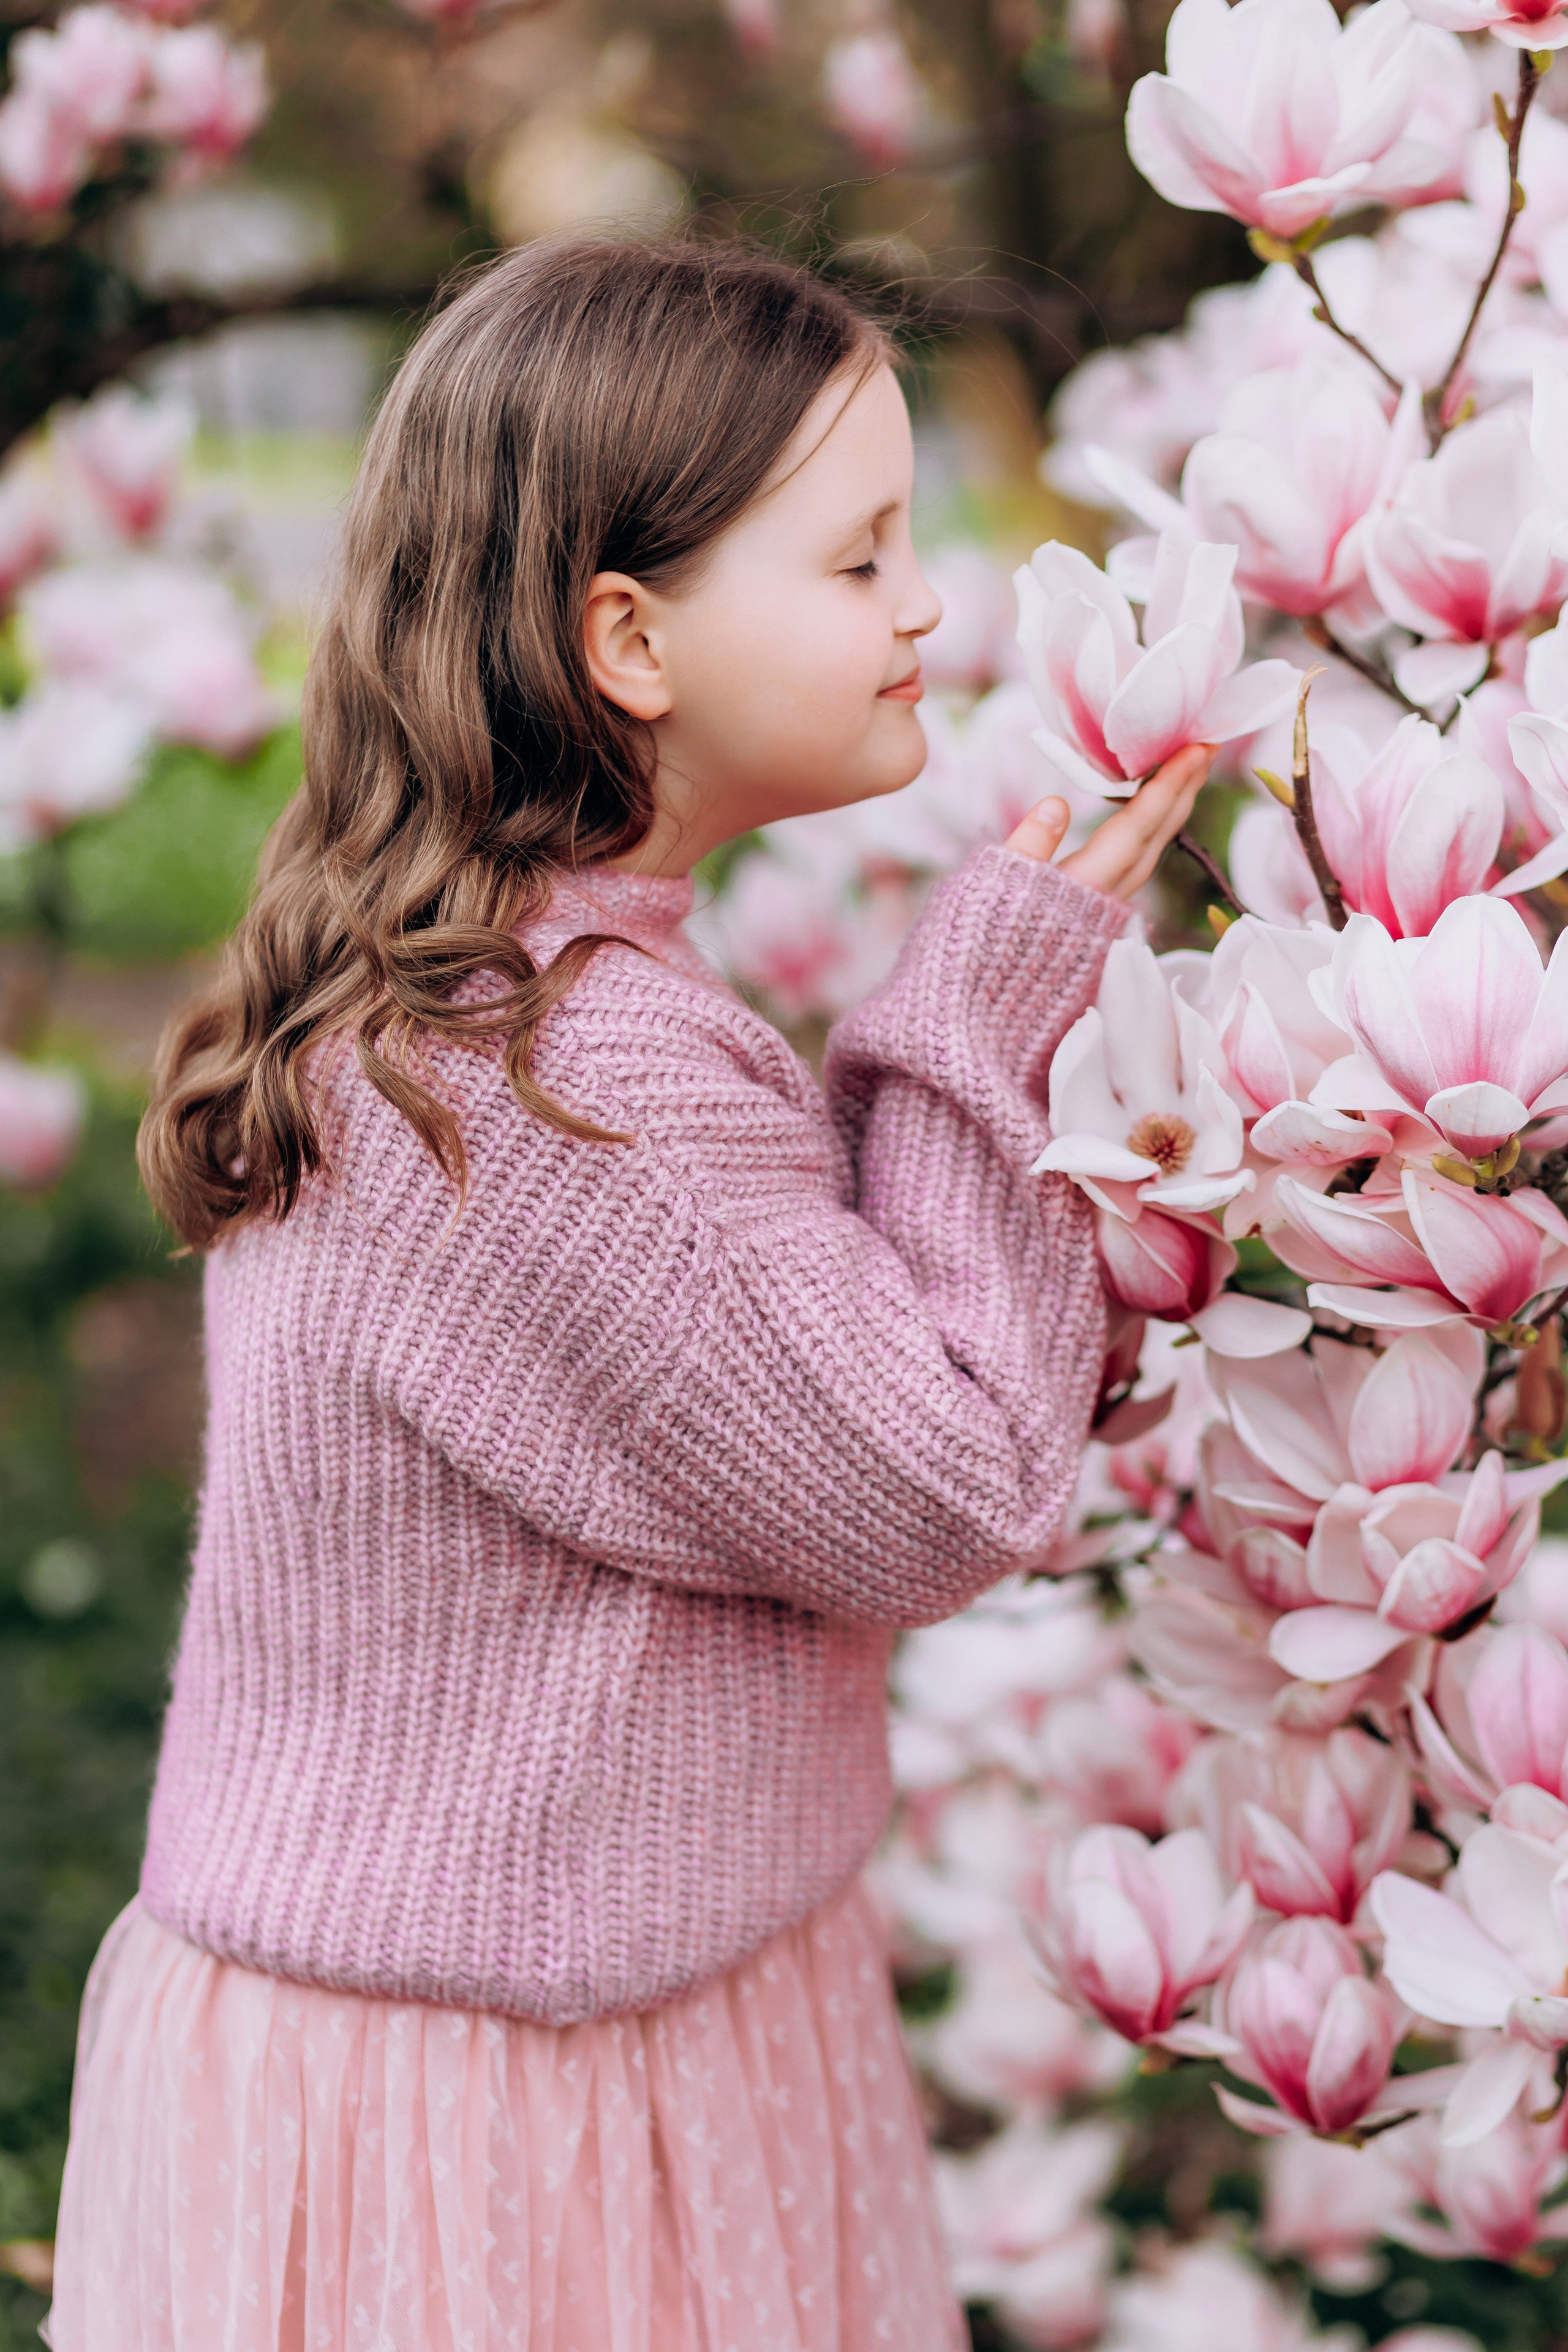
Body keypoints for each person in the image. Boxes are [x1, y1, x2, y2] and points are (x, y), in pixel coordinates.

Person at [46, 235, 1208, 2351]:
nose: (927, 603)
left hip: (552, 2018)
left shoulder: (517, 999)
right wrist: (980, 1014)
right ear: (629, 636)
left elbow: (790, 1354)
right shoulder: (559, 1076)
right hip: (508, 2107)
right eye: (858, 558)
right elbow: (941, 1482)